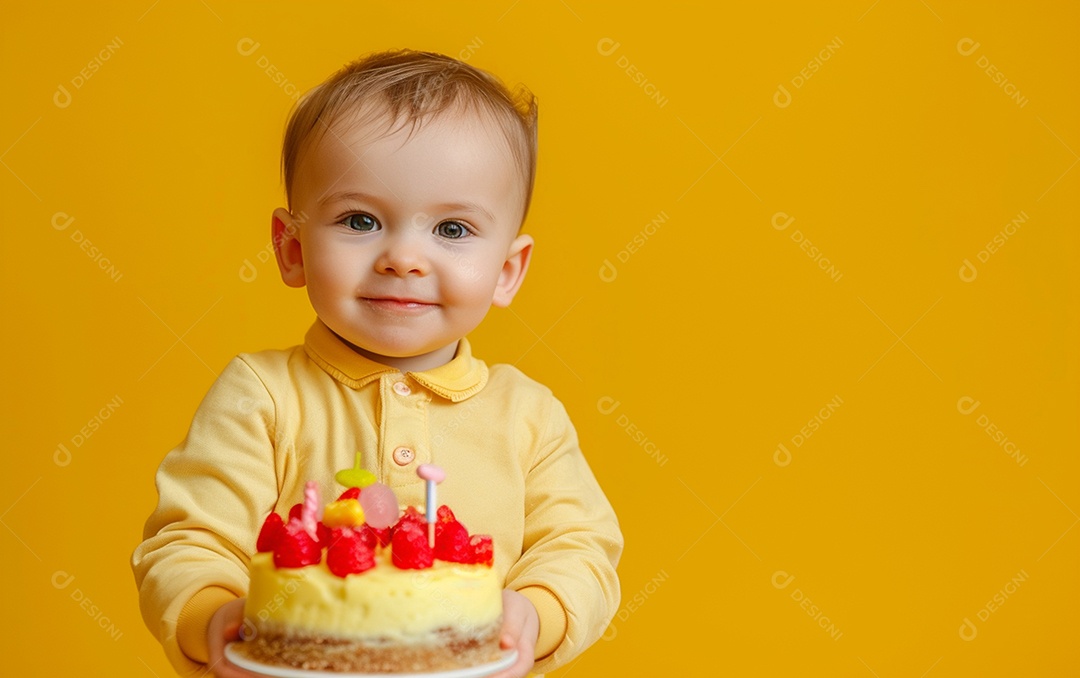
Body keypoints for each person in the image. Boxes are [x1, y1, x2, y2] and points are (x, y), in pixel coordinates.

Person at [131, 49, 623, 678]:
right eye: (360, 220)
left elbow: (581, 549)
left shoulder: (529, 416)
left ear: (506, 270)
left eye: (452, 229)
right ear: (292, 248)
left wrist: (537, 611)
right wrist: (210, 617)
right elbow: (190, 541)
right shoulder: (261, 396)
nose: (403, 258)